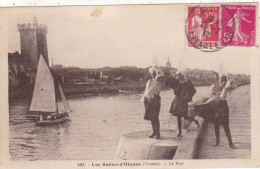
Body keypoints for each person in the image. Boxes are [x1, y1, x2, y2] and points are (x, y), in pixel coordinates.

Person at [165, 70, 200, 137]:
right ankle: (180, 131)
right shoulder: (176, 82)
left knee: (185, 116)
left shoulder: (187, 82)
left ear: (182, 75)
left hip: (183, 101)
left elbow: (194, 91)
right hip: (177, 100)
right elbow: (167, 83)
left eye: (179, 75)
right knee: (178, 116)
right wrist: (172, 76)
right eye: (177, 75)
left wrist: (188, 96)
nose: (178, 76)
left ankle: (195, 121)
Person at [140, 67, 165, 139]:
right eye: (151, 73)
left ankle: (158, 133)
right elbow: (146, 91)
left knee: (155, 117)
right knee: (151, 117)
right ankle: (154, 132)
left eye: (153, 73)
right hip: (148, 100)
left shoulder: (158, 81)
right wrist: (144, 99)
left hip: (155, 100)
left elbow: (161, 75)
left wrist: (157, 69)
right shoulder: (149, 81)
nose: (152, 74)